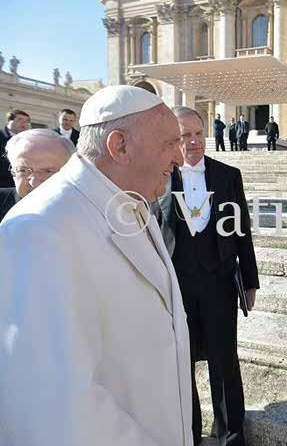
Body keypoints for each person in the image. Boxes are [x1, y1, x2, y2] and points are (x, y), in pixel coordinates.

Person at [0, 85, 193, 446]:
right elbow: (55, 405)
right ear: (119, 146)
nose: (180, 159)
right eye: (169, 144)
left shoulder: (132, 202)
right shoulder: (39, 227)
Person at [156, 106, 260, 446]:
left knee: (224, 360)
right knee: (181, 361)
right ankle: (189, 432)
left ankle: (232, 435)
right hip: (176, 284)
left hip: (219, 282)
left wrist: (250, 281)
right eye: (185, 135)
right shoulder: (158, 177)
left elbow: (242, 231)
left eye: (199, 133)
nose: (194, 141)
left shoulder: (228, 175)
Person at [0, 128, 74, 221]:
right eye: (23, 170)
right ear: (13, 171)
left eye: (48, 171)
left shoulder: (86, 211)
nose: (34, 182)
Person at [0, 109, 30, 188]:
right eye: (19, 119)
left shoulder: (29, 140)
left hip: (21, 182)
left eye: (26, 121)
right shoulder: (1, 136)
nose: (24, 123)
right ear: (9, 121)